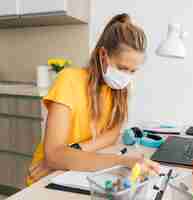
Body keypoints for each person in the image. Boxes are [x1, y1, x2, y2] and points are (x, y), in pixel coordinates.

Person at [27, 13, 159, 185]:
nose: (126, 77)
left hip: (72, 168)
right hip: (47, 175)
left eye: (133, 71)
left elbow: (111, 135)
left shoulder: (119, 90)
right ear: (103, 55)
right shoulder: (68, 80)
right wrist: (124, 162)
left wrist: (76, 151)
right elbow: (54, 156)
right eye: (122, 68)